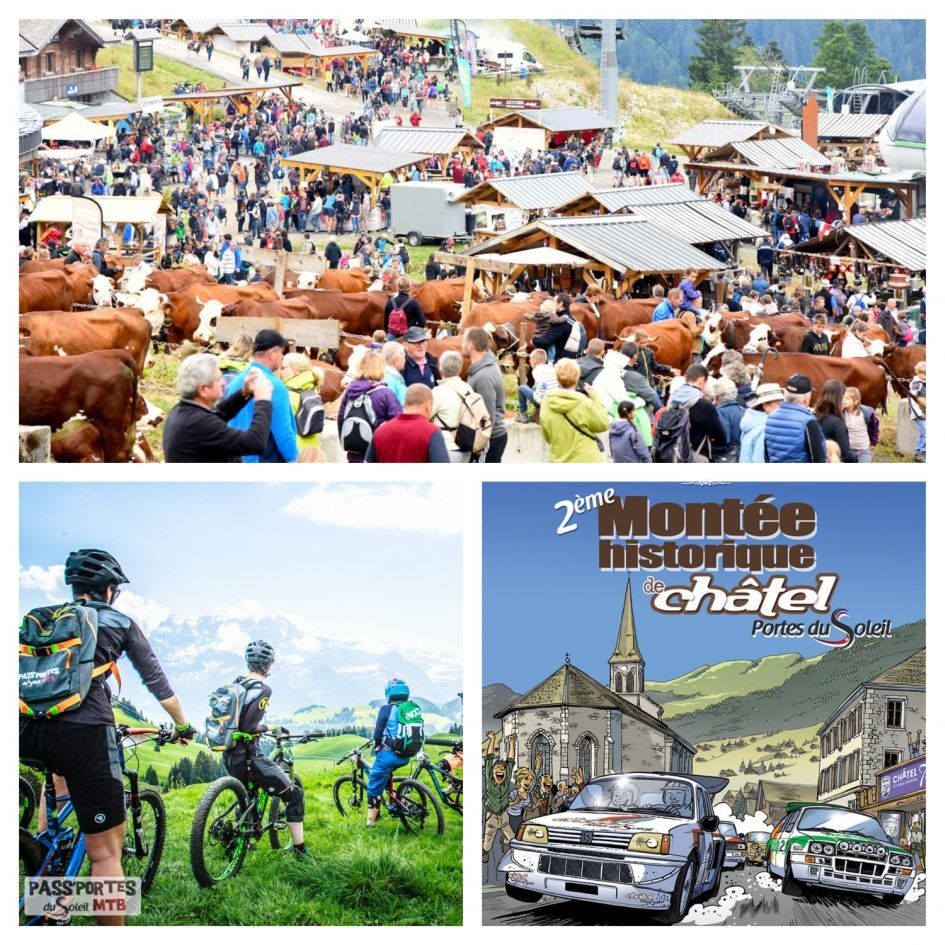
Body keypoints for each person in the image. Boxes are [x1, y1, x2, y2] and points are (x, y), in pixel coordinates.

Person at [19, 550, 194, 924]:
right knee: (104, 852)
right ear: (111, 589)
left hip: (25, 730)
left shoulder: (43, 619)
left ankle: (51, 898)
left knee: (58, 793)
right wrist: (182, 726)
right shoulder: (119, 621)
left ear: (75, 587)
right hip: (84, 733)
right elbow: (158, 685)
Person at [222, 641, 309, 857]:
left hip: (230, 754)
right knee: (295, 795)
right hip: (250, 757)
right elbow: (251, 727)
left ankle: (239, 840)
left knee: (248, 794)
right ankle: (300, 851)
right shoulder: (263, 689)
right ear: (269, 665)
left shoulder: (237, 684)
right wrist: (272, 727)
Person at [163, 353, 273, 462]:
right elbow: (255, 443)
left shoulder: (180, 411)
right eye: (218, 379)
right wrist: (262, 401)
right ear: (203, 389)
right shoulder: (200, 423)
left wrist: (244, 392)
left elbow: (218, 413)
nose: (223, 382)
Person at [226, 330, 300, 463]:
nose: (282, 358)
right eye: (281, 353)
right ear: (272, 353)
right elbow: (284, 434)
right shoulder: (273, 385)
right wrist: (298, 464)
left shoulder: (236, 382)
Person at [540, 358, 609, 463]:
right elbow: (603, 424)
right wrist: (595, 398)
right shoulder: (583, 403)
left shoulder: (546, 404)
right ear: (577, 377)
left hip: (558, 461)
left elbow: (547, 437)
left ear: (557, 377)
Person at [338, 350, 402, 462]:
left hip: (353, 454)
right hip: (377, 456)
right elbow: (398, 424)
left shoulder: (351, 390)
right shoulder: (386, 393)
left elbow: (340, 418)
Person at [365, 384, 449, 463]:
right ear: (428, 405)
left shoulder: (380, 431)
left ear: (404, 403)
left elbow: (367, 468)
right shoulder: (432, 432)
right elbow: (442, 473)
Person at [431, 349, 484, 461]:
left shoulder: (438, 392)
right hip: (466, 446)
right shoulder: (467, 388)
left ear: (440, 369)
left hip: (446, 447)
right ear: (460, 369)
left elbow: (424, 416)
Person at [464, 327, 507, 463]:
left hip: (489, 439)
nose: (461, 345)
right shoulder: (481, 368)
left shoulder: (484, 376)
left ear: (470, 346)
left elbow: (487, 417)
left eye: (463, 342)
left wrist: (479, 445)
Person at [668, 364, 727, 461]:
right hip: (698, 455)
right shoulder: (705, 405)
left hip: (673, 454)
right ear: (702, 380)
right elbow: (720, 437)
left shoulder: (671, 401)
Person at [764, 374, 827, 463]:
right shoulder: (808, 422)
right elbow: (817, 459)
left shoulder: (770, 418)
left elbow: (767, 455)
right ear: (805, 398)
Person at [282, 352, 323, 454]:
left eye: (283, 368)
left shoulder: (288, 395)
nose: (280, 371)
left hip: (293, 453)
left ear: (295, 370)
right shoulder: (313, 390)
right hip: (311, 452)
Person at [738, 383, 784, 463]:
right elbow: (759, 460)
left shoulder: (751, 421)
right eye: (778, 403)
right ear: (765, 406)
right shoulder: (764, 429)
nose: (782, 407)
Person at [815, 378, 856, 462]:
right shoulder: (837, 423)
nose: (844, 402)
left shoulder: (812, 416)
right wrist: (855, 456)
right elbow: (845, 454)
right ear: (837, 399)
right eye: (843, 398)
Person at [516, 348, 558, 422]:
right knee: (534, 387)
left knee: (522, 388)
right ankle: (537, 409)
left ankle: (523, 414)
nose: (529, 361)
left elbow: (542, 384)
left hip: (545, 401)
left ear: (534, 361)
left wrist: (539, 400)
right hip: (555, 400)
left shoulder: (537, 370)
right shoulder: (551, 368)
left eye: (530, 359)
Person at [842, 386, 878, 463]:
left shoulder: (865, 413)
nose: (843, 400)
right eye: (843, 398)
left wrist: (873, 442)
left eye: (847, 398)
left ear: (855, 401)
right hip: (849, 449)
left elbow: (875, 427)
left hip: (864, 449)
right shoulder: (841, 413)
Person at [909, 361, 926, 462]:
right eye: (924, 374)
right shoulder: (916, 385)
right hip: (919, 414)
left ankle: (917, 452)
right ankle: (923, 454)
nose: (926, 376)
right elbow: (912, 400)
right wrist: (919, 414)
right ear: (918, 373)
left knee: (923, 434)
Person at [382, 340, 407, 405]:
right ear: (396, 359)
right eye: (404, 357)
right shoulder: (389, 380)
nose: (405, 360)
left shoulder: (386, 375)